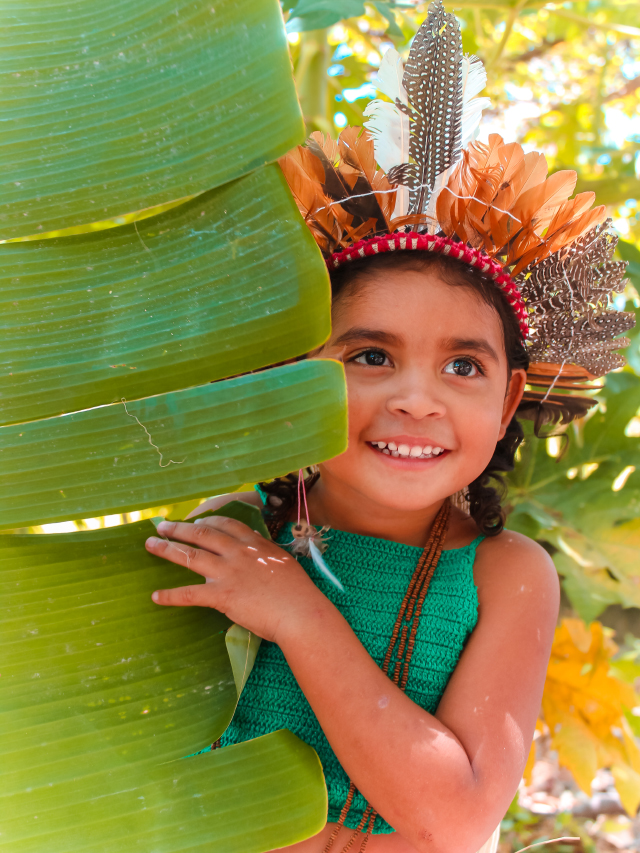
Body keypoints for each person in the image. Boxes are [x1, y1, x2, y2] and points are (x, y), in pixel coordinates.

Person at [143, 3, 633, 851]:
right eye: (371, 356)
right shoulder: (238, 532)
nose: (417, 399)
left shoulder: (507, 575)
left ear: (509, 401)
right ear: (296, 369)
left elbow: (457, 817)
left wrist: (299, 613)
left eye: (463, 366)